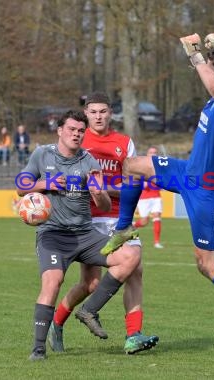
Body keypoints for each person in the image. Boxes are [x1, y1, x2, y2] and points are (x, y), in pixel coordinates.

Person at [98, 33, 214, 357]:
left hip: (207, 189)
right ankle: (124, 226)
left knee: (206, 265)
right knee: (133, 165)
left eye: (212, 69)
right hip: (189, 172)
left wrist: (196, 55)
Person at [16, 110, 141, 361]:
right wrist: (46, 183)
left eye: (80, 131)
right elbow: (21, 186)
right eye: (71, 129)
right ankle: (38, 349)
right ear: (60, 130)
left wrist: (99, 194)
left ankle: (89, 310)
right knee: (53, 281)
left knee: (129, 257)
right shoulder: (42, 154)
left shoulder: (89, 162)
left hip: (85, 234)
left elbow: (105, 206)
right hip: (52, 234)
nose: (76, 134)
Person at [49, 92, 159, 355]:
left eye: (103, 111)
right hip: (87, 220)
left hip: (118, 217)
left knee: (136, 269)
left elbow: (132, 184)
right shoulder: (77, 139)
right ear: (86, 114)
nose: (98, 116)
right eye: (93, 112)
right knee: (91, 285)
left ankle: (133, 335)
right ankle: (58, 321)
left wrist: (102, 188)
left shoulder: (124, 143)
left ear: (111, 113)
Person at [133, 146, 164, 249]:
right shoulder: (141, 166)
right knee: (144, 222)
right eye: (151, 152)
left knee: (157, 217)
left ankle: (156, 242)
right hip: (144, 198)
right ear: (147, 154)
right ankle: (131, 225)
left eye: (155, 152)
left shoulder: (160, 166)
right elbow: (136, 181)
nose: (153, 154)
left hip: (156, 196)